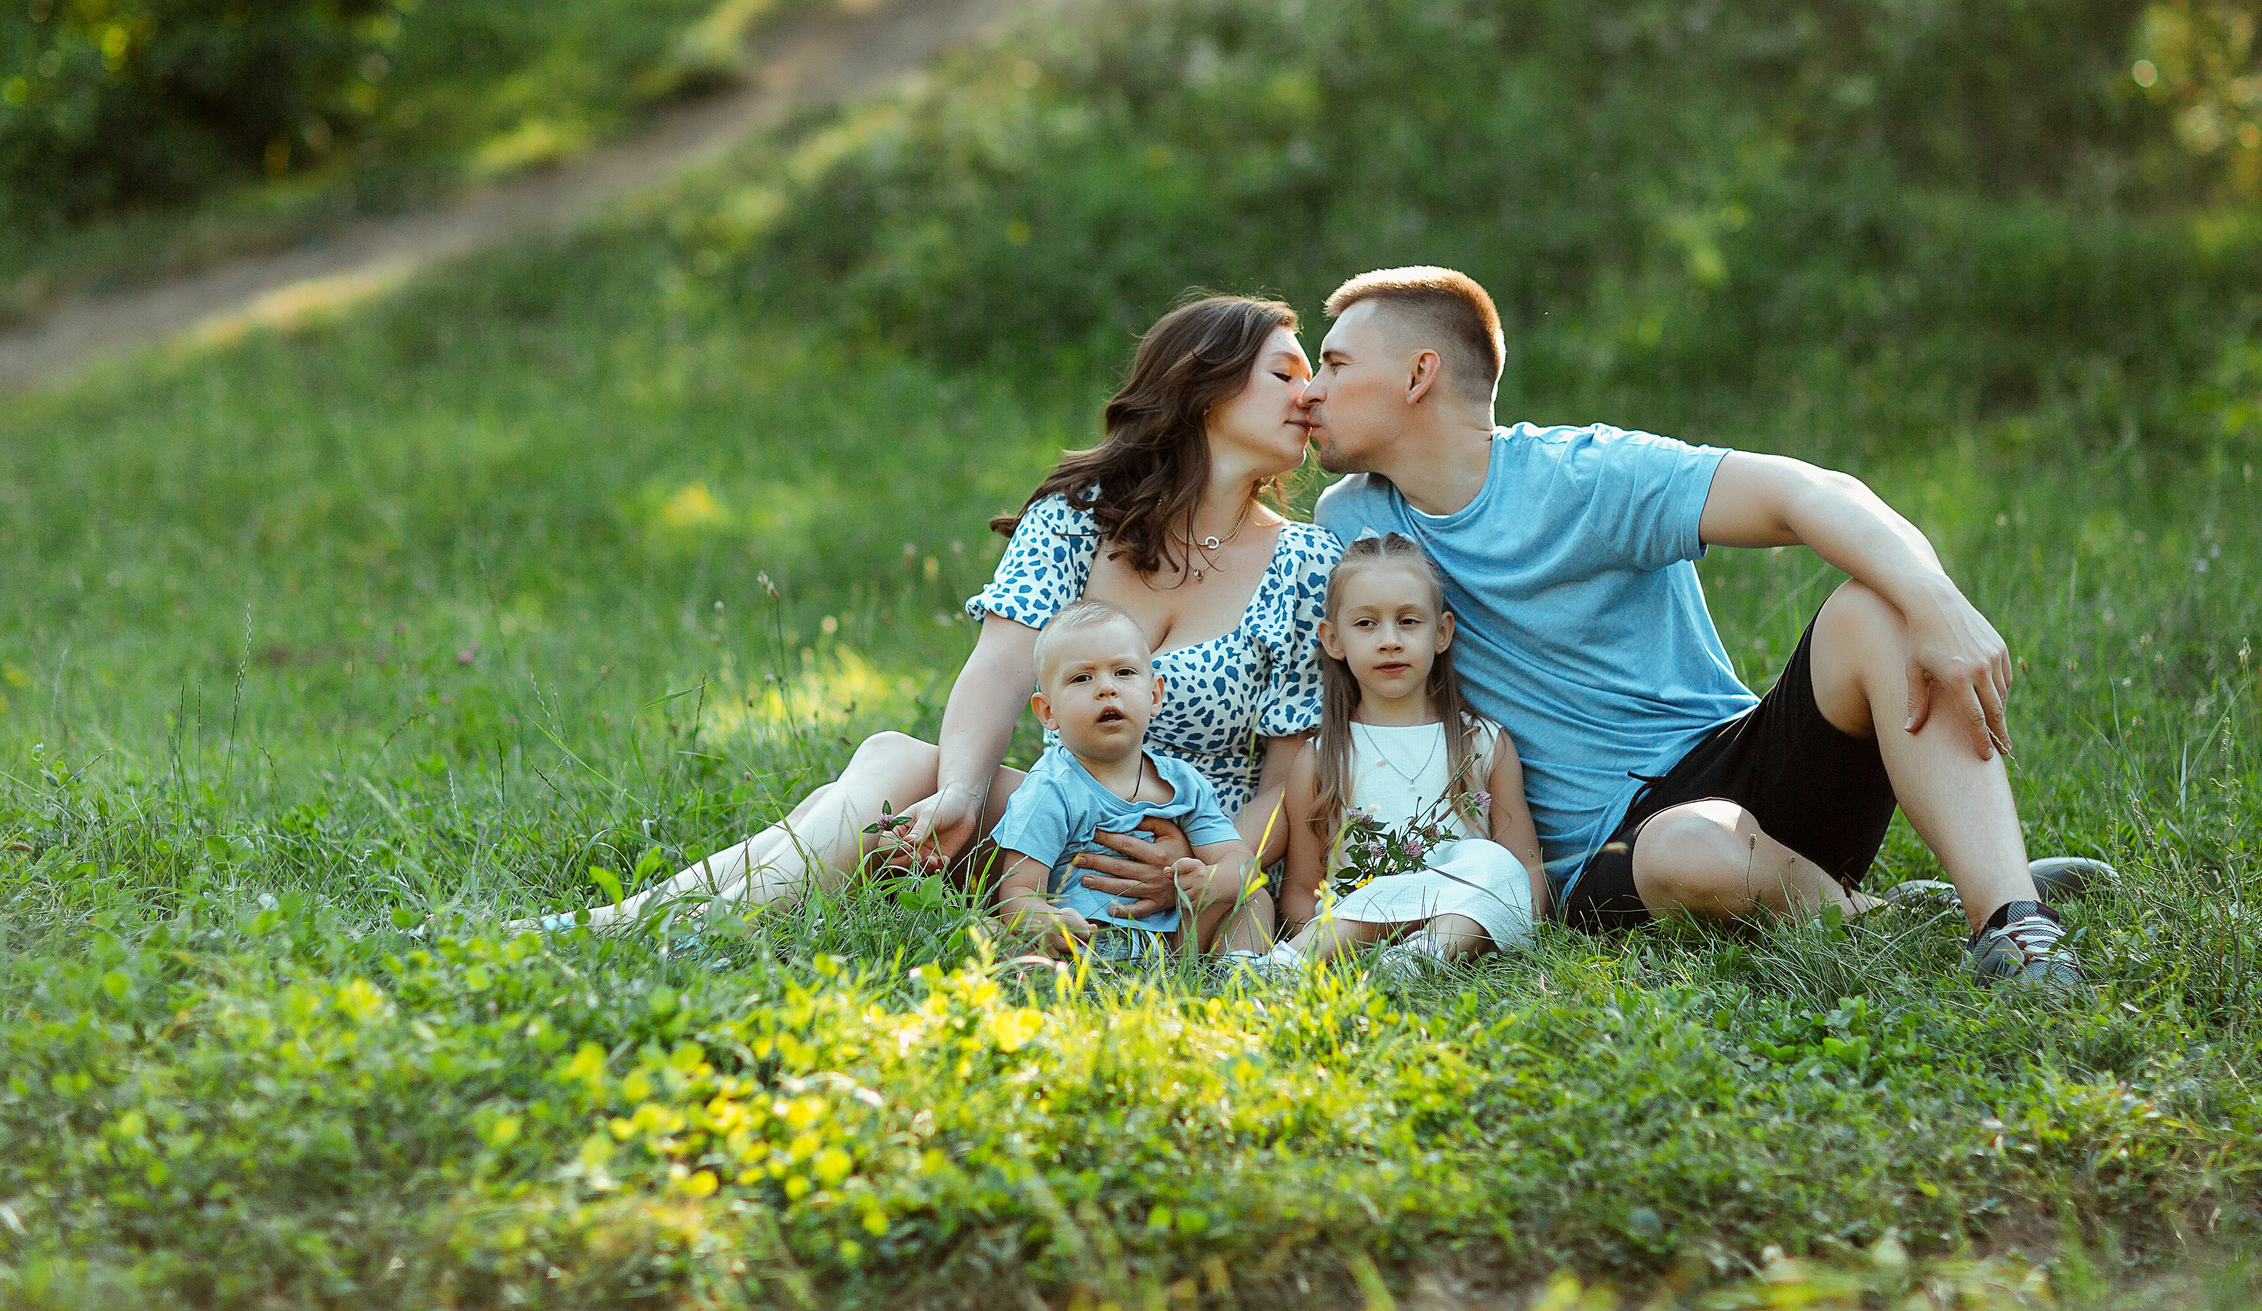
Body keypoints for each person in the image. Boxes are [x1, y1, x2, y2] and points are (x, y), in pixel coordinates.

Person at [1301, 266, 2110, 986]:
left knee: (1877, 607)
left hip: (1741, 761)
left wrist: (1938, 601)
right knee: (1685, 847)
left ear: (1418, 375)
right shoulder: (1353, 524)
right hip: (1612, 857)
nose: (1311, 390)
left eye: (1334, 365)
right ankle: (1889, 915)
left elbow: (1809, 492)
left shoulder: (1585, 476)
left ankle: (2013, 919)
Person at [535, 293, 1340, 937]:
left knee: (866, 778)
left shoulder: (1305, 562)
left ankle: (628, 927)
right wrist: (961, 789)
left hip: (1189, 867)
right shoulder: (1077, 516)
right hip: (1055, 834)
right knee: (902, 764)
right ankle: (631, 924)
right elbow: (997, 666)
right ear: (1206, 385)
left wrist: (1207, 859)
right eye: (1286, 372)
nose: (1311, 394)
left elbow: (1289, 774)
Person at [1249, 533, 1545, 975]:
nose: (1389, 640)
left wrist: (1522, 925)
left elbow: (1525, 867)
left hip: (1456, 927)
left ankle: (1413, 962)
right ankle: (1294, 963)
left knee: (1492, 864)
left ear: (1442, 632)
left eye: (1408, 621)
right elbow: (1302, 889)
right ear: (1333, 640)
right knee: (1363, 903)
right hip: (1352, 931)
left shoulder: (1482, 743)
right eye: (1366, 624)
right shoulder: (1322, 757)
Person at [986, 600, 1258, 959]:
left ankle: (1239, 970)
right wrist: (1048, 922)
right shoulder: (1053, 788)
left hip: (1177, 947)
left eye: (1124, 672)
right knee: (994, 935)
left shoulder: (1182, 785)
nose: (1106, 688)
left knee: (1252, 899)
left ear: (1154, 695)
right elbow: (1018, 890)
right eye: (1082, 678)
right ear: (1048, 712)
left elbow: (1239, 860)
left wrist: (1211, 882)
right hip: (1086, 948)